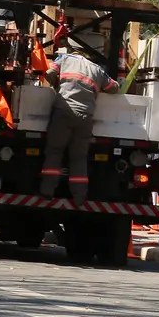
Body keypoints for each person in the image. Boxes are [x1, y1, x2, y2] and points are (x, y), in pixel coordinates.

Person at [39, 49, 120, 203]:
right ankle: (79, 197)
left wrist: (57, 86)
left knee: (55, 152)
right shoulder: (97, 69)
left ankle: (47, 191)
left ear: (74, 52)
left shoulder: (64, 58)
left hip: (63, 112)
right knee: (79, 157)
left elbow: (49, 73)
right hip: (85, 117)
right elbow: (114, 88)